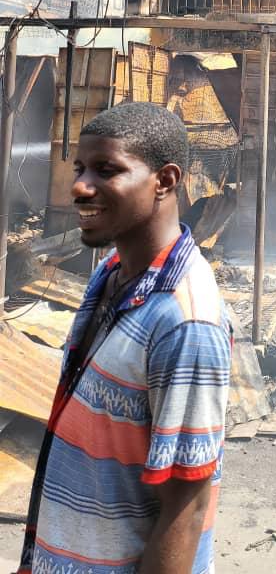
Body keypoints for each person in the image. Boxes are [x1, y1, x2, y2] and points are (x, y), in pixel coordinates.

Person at [17, 102, 232, 574]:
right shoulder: (113, 273)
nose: (79, 186)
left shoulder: (184, 321)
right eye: (80, 169)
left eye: (107, 170)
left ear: (165, 181)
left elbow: (187, 507)